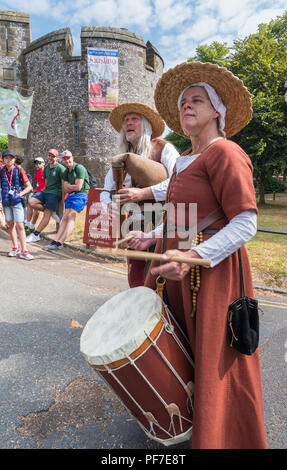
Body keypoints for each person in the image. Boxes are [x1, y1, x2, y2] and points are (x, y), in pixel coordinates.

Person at [130, 62, 267, 448]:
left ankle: (224, 437)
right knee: (182, 350)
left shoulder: (226, 152)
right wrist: (151, 236)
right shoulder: (184, 160)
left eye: (197, 100)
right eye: (183, 102)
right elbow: (182, 218)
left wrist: (193, 255)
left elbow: (245, 224)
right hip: (176, 269)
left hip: (212, 274)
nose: (187, 106)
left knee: (214, 358)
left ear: (217, 111)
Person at [101, 102, 179, 287]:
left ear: (146, 125)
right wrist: (108, 205)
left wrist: (143, 193)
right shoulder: (123, 156)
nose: (129, 122)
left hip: (161, 221)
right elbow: (106, 189)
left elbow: (178, 181)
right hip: (132, 224)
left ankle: (160, 315)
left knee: (158, 278)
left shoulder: (163, 148)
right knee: (135, 279)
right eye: (126, 120)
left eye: (134, 119)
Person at [44, 150, 90, 251]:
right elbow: (65, 188)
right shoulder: (65, 171)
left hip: (81, 194)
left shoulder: (79, 168)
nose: (67, 160)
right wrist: (70, 187)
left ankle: (61, 242)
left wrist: (69, 186)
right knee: (65, 217)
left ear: (72, 158)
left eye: (68, 158)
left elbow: (78, 187)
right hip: (71, 195)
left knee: (71, 216)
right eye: (64, 159)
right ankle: (56, 241)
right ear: (62, 161)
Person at [0, 148, 34, 260]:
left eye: (10, 158)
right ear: (3, 159)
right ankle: (15, 248)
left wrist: (21, 194)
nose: (8, 160)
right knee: (11, 225)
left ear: (14, 159)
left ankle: (24, 250)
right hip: (6, 202)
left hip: (17, 202)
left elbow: (29, 186)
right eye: (6, 158)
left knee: (20, 225)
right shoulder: (1, 171)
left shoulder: (19, 170)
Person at [26, 149, 65, 243]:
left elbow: (63, 184)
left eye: (53, 156)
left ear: (57, 157)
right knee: (31, 202)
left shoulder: (60, 168)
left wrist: (63, 198)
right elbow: (46, 181)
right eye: (49, 156)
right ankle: (51, 212)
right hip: (46, 191)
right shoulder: (47, 167)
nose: (50, 158)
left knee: (46, 214)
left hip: (55, 193)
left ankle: (36, 234)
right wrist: (44, 191)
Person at [25, 157, 46, 234]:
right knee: (29, 204)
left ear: (44, 163)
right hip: (38, 191)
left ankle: (32, 225)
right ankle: (28, 224)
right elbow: (37, 181)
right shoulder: (37, 170)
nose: (37, 165)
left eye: (39, 163)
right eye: (36, 163)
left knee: (34, 207)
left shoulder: (46, 171)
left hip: (44, 192)